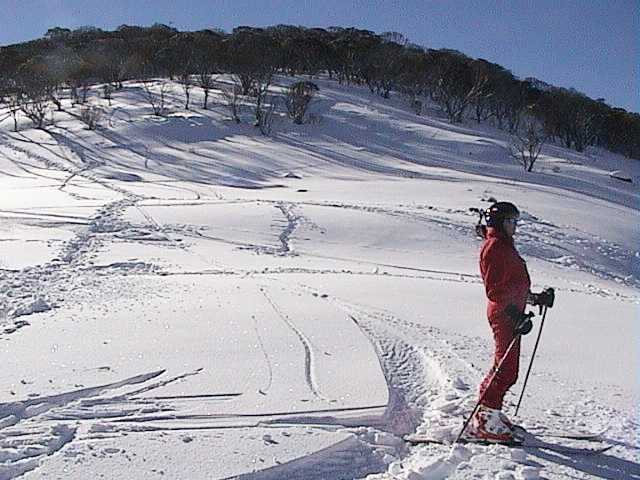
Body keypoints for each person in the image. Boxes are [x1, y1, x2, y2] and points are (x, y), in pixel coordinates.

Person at [469, 201, 553, 443]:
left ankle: (489, 411)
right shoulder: (495, 247)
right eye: (512, 221)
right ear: (500, 222)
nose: (515, 226)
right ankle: (486, 419)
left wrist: (535, 298)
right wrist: (515, 315)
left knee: (504, 365)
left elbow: (512, 284)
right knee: (506, 369)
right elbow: (495, 289)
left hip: (511, 311)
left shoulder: (504, 245)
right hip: (504, 313)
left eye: (516, 221)